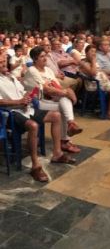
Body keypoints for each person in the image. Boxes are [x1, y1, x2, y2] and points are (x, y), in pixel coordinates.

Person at [0, 52, 76, 182]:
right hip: (10, 113)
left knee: (56, 116)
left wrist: (29, 95)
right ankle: (35, 166)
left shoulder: (10, 76)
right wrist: (18, 102)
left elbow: (22, 91)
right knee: (33, 126)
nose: (4, 64)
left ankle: (57, 154)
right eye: (1, 62)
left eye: (4, 61)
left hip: (25, 108)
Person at [23, 46, 83, 155]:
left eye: (45, 55)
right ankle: (66, 138)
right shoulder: (32, 70)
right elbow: (45, 88)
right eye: (42, 57)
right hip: (36, 102)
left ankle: (70, 126)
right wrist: (66, 92)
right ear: (35, 59)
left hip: (49, 99)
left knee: (64, 101)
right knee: (64, 105)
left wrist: (64, 92)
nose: (45, 58)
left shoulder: (48, 70)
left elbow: (56, 86)